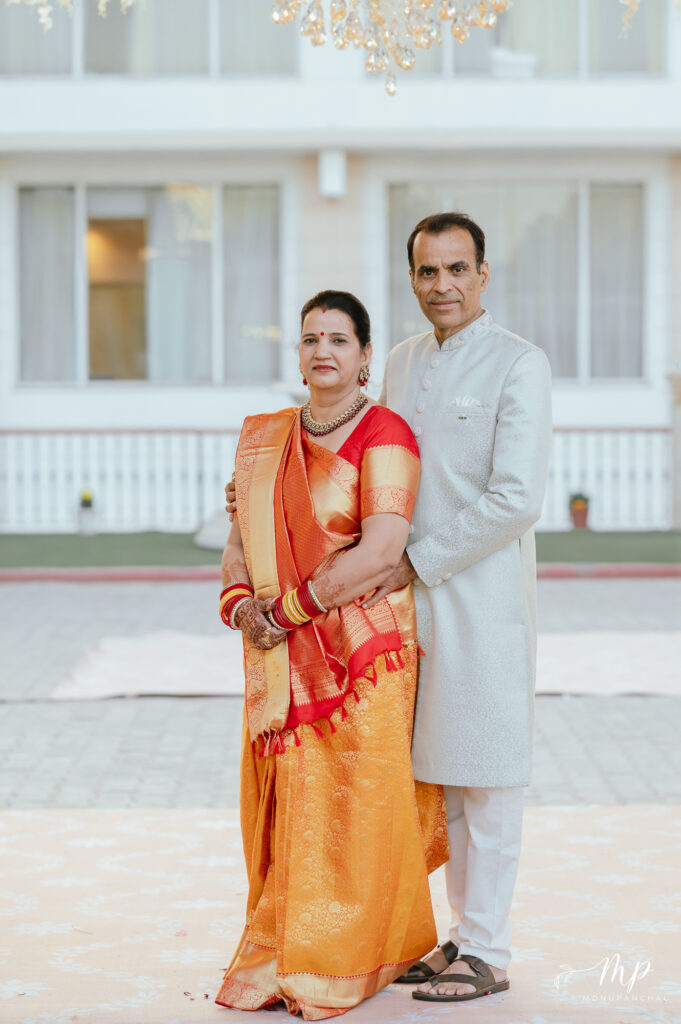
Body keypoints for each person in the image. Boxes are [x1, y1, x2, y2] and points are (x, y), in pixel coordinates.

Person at [215, 289, 448, 1021]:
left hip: (362, 654)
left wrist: (287, 611)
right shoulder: (267, 441)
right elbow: (239, 542)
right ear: (298, 353)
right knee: (293, 805)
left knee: (356, 807)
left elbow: (382, 550)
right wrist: (240, 605)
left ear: (365, 355)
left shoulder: (385, 432)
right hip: (281, 654)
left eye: (339, 339)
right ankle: (281, 951)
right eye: (312, 339)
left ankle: (344, 959)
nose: (323, 351)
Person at [366, 211, 553, 1002]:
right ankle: (461, 936)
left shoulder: (519, 363)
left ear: (482, 274)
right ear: (411, 278)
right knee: (440, 776)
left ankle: (489, 950)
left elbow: (516, 499)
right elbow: (373, 465)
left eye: (455, 268)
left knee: (489, 774)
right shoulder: (401, 362)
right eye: (426, 270)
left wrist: (414, 562)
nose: (441, 285)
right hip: (408, 608)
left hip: (483, 602)